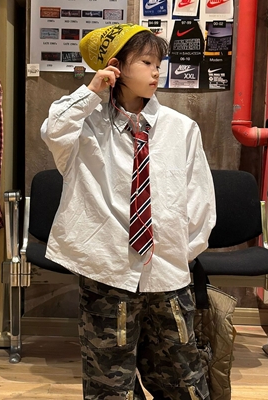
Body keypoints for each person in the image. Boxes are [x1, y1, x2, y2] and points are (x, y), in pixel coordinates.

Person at [41, 23, 216, 400]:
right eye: (147, 62)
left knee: (182, 375)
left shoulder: (181, 129)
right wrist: (91, 91)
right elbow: (53, 129)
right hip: (107, 270)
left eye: (159, 64)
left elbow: (199, 199)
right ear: (116, 67)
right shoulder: (85, 126)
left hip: (166, 270)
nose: (156, 72)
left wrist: (180, 254)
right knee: (109, 381)